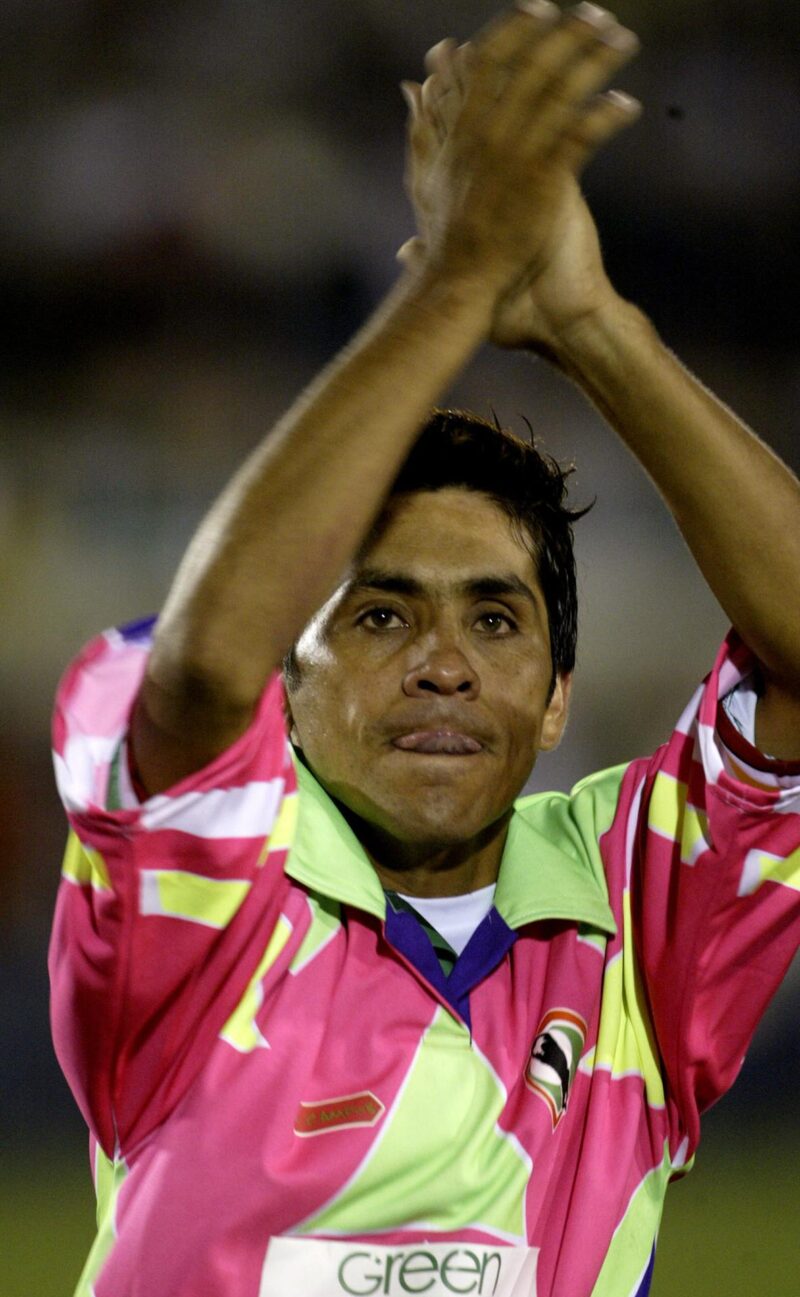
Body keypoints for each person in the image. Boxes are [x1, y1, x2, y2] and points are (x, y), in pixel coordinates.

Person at [49, 4, 800, 1296]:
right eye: (381, 613)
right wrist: (452, 283)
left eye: (496, 618)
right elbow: (195, 674)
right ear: (292, 679)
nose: (443, 661)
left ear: (562, 693)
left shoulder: (634, 923)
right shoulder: (210, 905)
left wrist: (591, 322)